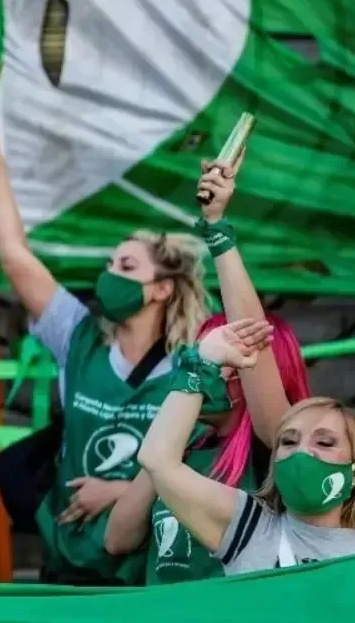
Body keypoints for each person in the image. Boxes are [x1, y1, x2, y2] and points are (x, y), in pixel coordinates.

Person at [0, 111, 210, 584]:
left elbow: (208, 472)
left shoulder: (192, 365)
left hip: (143, 573)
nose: (110, 274)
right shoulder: (77, 335)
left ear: (162, 289)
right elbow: (15, 257)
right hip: (68, 563)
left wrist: (121, 493)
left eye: (127, 267)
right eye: (110, 264)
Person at [103, 153, 311, 583]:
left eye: (221, 356)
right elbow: (117, 539)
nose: (203, 363)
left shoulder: (273, 452)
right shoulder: (183, 445)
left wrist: (217, 229)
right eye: (202, 351)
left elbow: (252, 338)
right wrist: (168, 450)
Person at [137, 320, 355, 580]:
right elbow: (157, 461)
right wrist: (202, 363)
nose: (302, 452)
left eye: (324, 443)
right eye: (288, 441)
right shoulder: (249, 527)